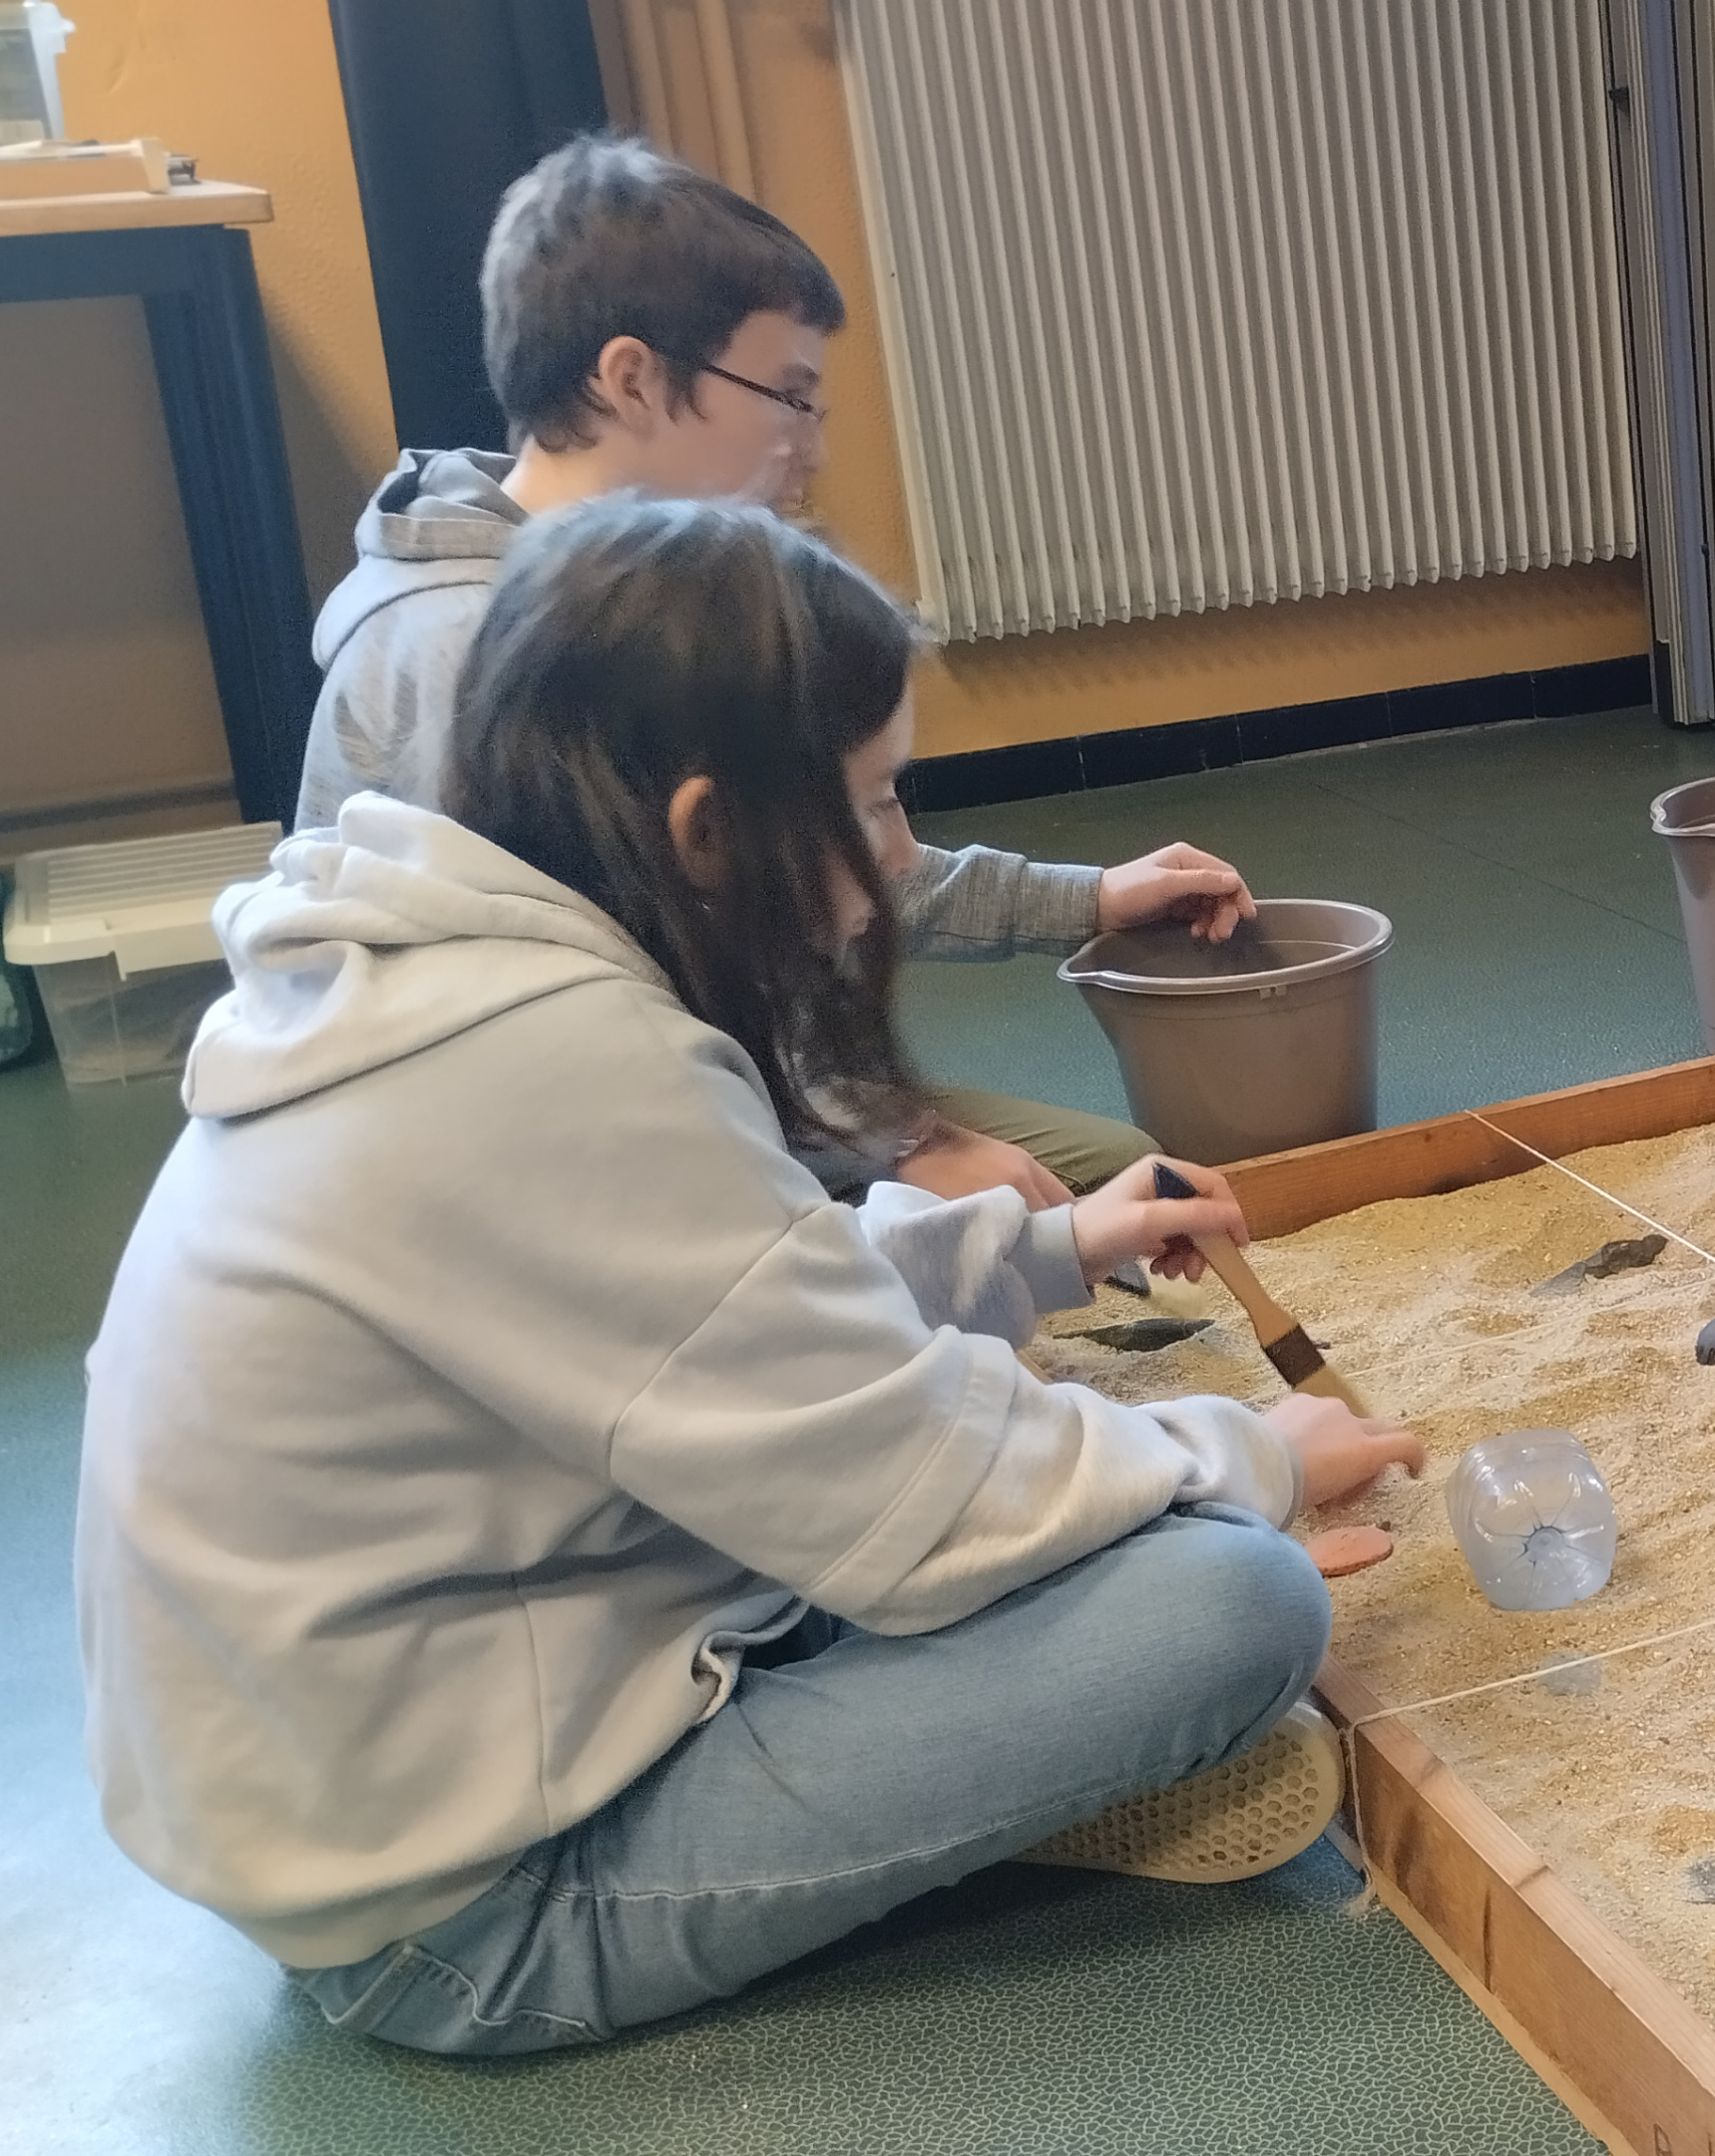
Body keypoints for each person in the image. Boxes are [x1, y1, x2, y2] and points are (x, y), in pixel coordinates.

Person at [81, 497, 1424, 2053]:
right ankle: (988, 1804)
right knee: (1234, 1603)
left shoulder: (453, 972)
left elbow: (726, 1299)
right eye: (879, 802)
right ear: (707, 829)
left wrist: (1044, 1250)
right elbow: (932, 1493)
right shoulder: (566, 1067)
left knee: (1087, 1515)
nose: (898, 860)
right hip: (459, 1915)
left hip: (363, 1770)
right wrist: (1249, 1457)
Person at [295, 133, 1250, 1203]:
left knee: (1093, 1182)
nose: (812, 450)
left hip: (681, 1088)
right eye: (789, 397)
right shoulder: (480, 651)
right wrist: (892, 1141)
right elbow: (563, 1055)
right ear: (633, 380)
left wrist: (1088, 899)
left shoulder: (636, 605)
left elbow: (806, 855)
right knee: (1066, 1197)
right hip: (537, 1163)